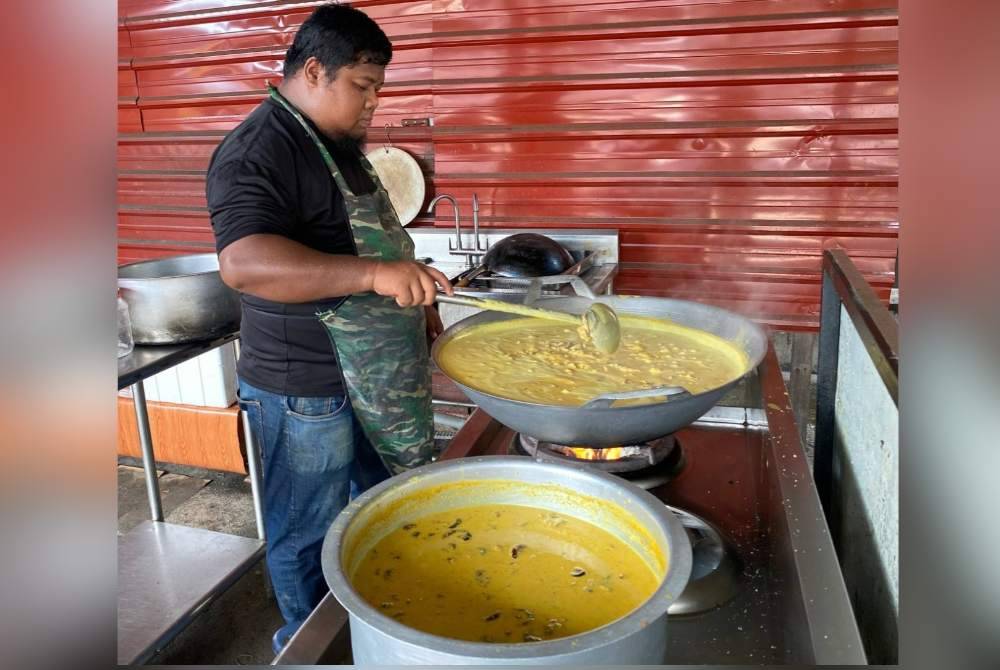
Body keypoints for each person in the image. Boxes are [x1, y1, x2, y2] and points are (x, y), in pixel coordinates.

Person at [205, 3, 453, 655]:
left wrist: (411, 284)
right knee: (305, 536)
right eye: (363, 87)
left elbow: (361, 242)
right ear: (314, 71)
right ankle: (308, 649)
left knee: (378, 517)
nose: (372, 104)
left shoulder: (337, 148)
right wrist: (375, 278)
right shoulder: (259, 149)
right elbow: (245, 262)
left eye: (377, 89)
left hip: (372, 385)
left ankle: (376, 632)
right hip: (305, 393)